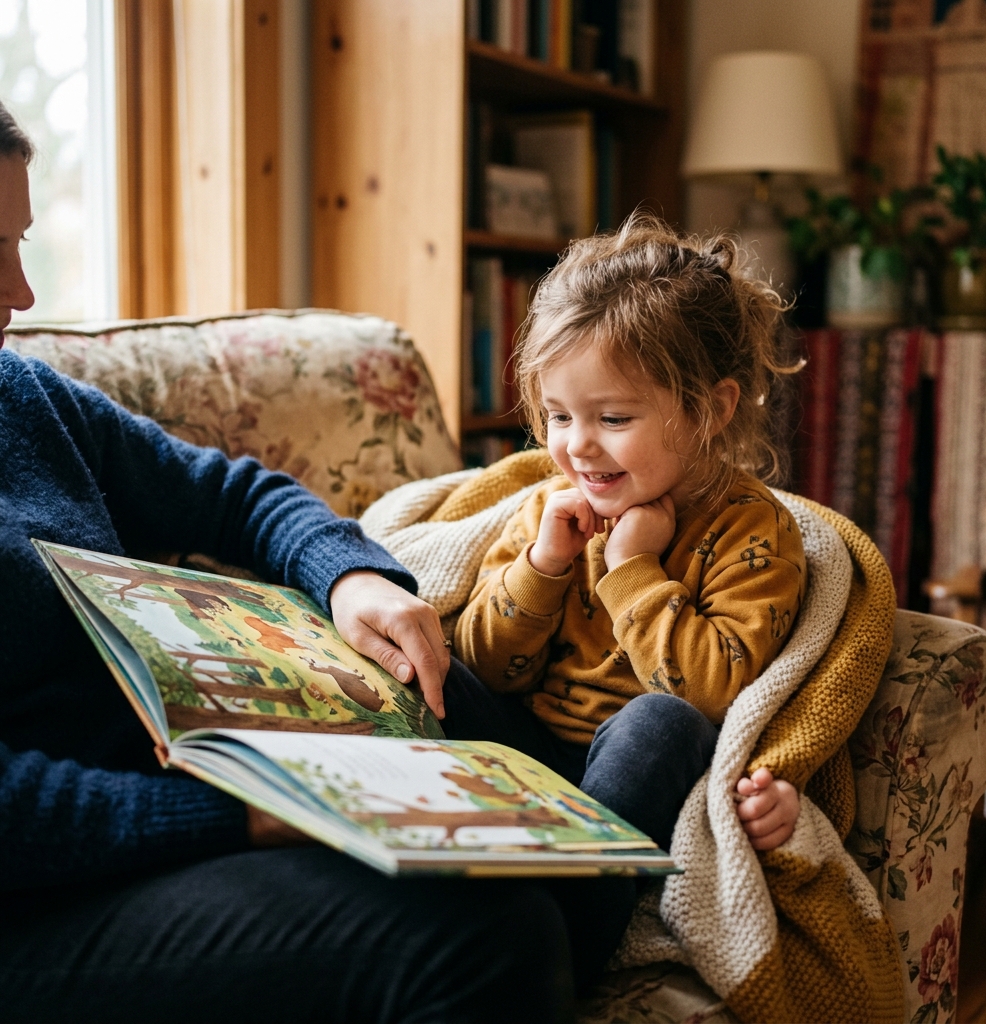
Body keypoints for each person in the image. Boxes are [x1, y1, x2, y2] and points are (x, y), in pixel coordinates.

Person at [0, 101, 635, 1024]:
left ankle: (590, 857)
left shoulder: (20, 395)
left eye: (19, 242)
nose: (21, 293)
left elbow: (233, 493)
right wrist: (252, 814)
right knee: (488, 936)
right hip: (44, 897)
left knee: (426, 680)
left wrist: (349, 576)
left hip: (196, 773)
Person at [449, 215, 803, 854]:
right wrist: (542, 566)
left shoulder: (750, 529)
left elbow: (714, 694)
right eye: (559, 416)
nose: (577, 446)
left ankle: (576, 895)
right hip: (527, 751)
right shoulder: (551, 511)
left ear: (711, 409)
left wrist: (633, 567)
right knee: (431, 662)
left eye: (612, 418)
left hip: (642, 772)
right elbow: (485, 667)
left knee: (661, 723)